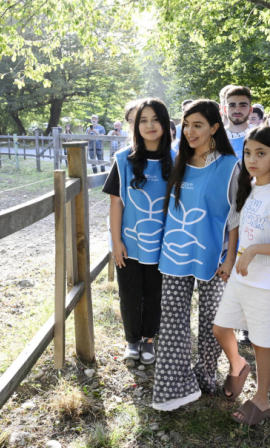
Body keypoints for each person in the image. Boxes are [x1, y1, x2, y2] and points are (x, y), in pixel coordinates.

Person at [212, 126, 270, 425]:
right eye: (248, 152)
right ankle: (238, 366)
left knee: (261, 344)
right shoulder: (250, 187)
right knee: (220, 328)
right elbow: (237, 225)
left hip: (268, 285)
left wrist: (253, 252)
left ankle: (262, 400)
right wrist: (231, 259)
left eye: (261, 153)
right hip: (241, 278)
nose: (252, 159)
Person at [152, 100, 240, 411]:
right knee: (173, 321)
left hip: (214, 257)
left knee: (211, 321)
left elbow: (235, 216)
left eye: (198, 125)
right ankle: (174, 386)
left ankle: (205, 375)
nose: (190, 131)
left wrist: (230, 260)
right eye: (187, 124)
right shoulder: (178, 160)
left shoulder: (230, 165)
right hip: (174, 254)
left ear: (215, 127)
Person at [103, 99, 174, 364]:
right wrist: (116, 241)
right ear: (136, 125)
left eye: (155, 119)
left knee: (155, 294)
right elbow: (116, 203)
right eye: (143, 120)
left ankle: (149, 340)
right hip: (130, 244)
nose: (150, 125)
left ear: (165, 123)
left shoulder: (177, 160)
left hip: (164, 244)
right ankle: (132, 341)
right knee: (130, 292)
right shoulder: (123, 160)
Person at [223, 85, 253, 159]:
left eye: (243, 105)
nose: (237, 110)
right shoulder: (216, 137)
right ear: (225, 109)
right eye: (232, 105)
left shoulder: (260, 136)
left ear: (250, 110)